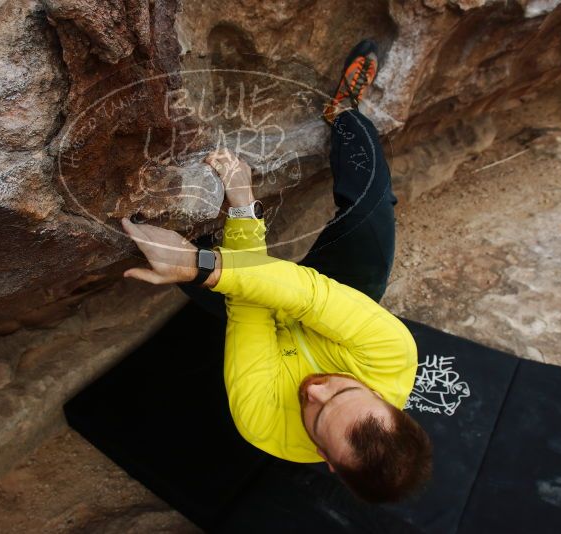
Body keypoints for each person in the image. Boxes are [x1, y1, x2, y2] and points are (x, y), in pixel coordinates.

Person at [120, 39, 432, 503]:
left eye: (317, 416)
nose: (317, 391)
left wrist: (218, 241)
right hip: (336, 293)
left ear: (325, 459)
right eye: (343, 391)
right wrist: (239, 211)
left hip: (256, 318)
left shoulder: (261, 426)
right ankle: (345, 112)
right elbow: (309, 295)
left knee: (175, 257)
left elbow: (250, 310)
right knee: (371, 206)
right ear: (386, 398)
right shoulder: (394, 357)